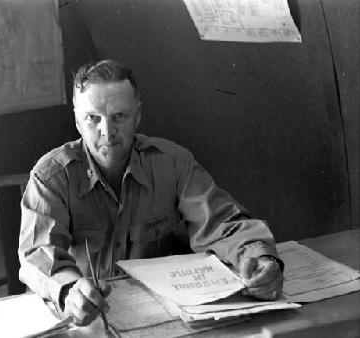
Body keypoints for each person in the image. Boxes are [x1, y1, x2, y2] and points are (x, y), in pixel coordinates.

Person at [18, 59, 284, 326]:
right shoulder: (51, 176)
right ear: (77, 122)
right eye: (92, 118)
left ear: (138, 115)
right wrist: (69, 290)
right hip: (80, 317)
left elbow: (223, 223)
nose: (107, 132)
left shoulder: (173, 163)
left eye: (119, 116)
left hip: (156, 317)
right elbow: (38, 253)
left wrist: (259, 257)